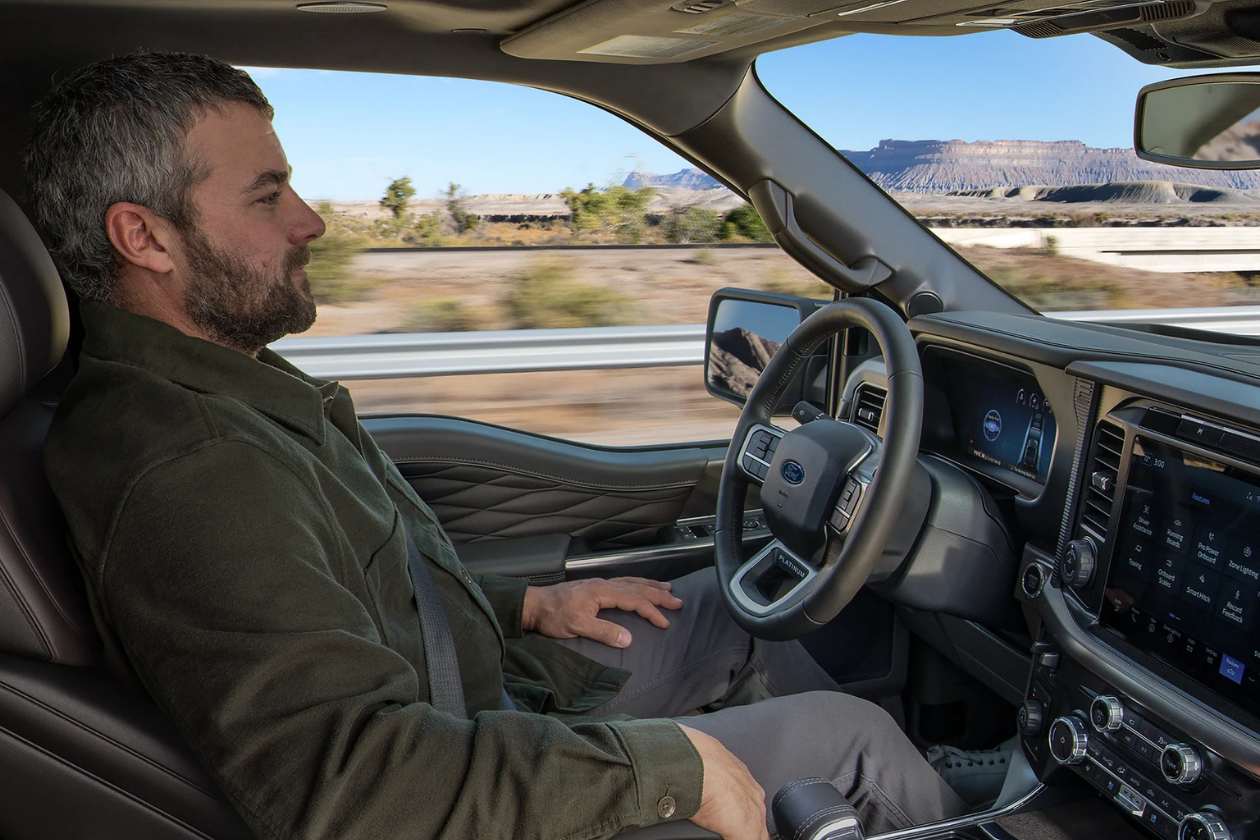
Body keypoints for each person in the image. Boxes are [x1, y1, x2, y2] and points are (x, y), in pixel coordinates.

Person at [25, 51, 967, 840]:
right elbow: (357, 784)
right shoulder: (187, 467)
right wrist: (669, 769)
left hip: (486, 702)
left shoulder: (214, 384)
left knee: (728, 606)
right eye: (268, 196)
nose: (310, 220)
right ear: (143, 237)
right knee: (855, 741)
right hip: (462, 768)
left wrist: (522, 609)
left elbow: (331, 598)